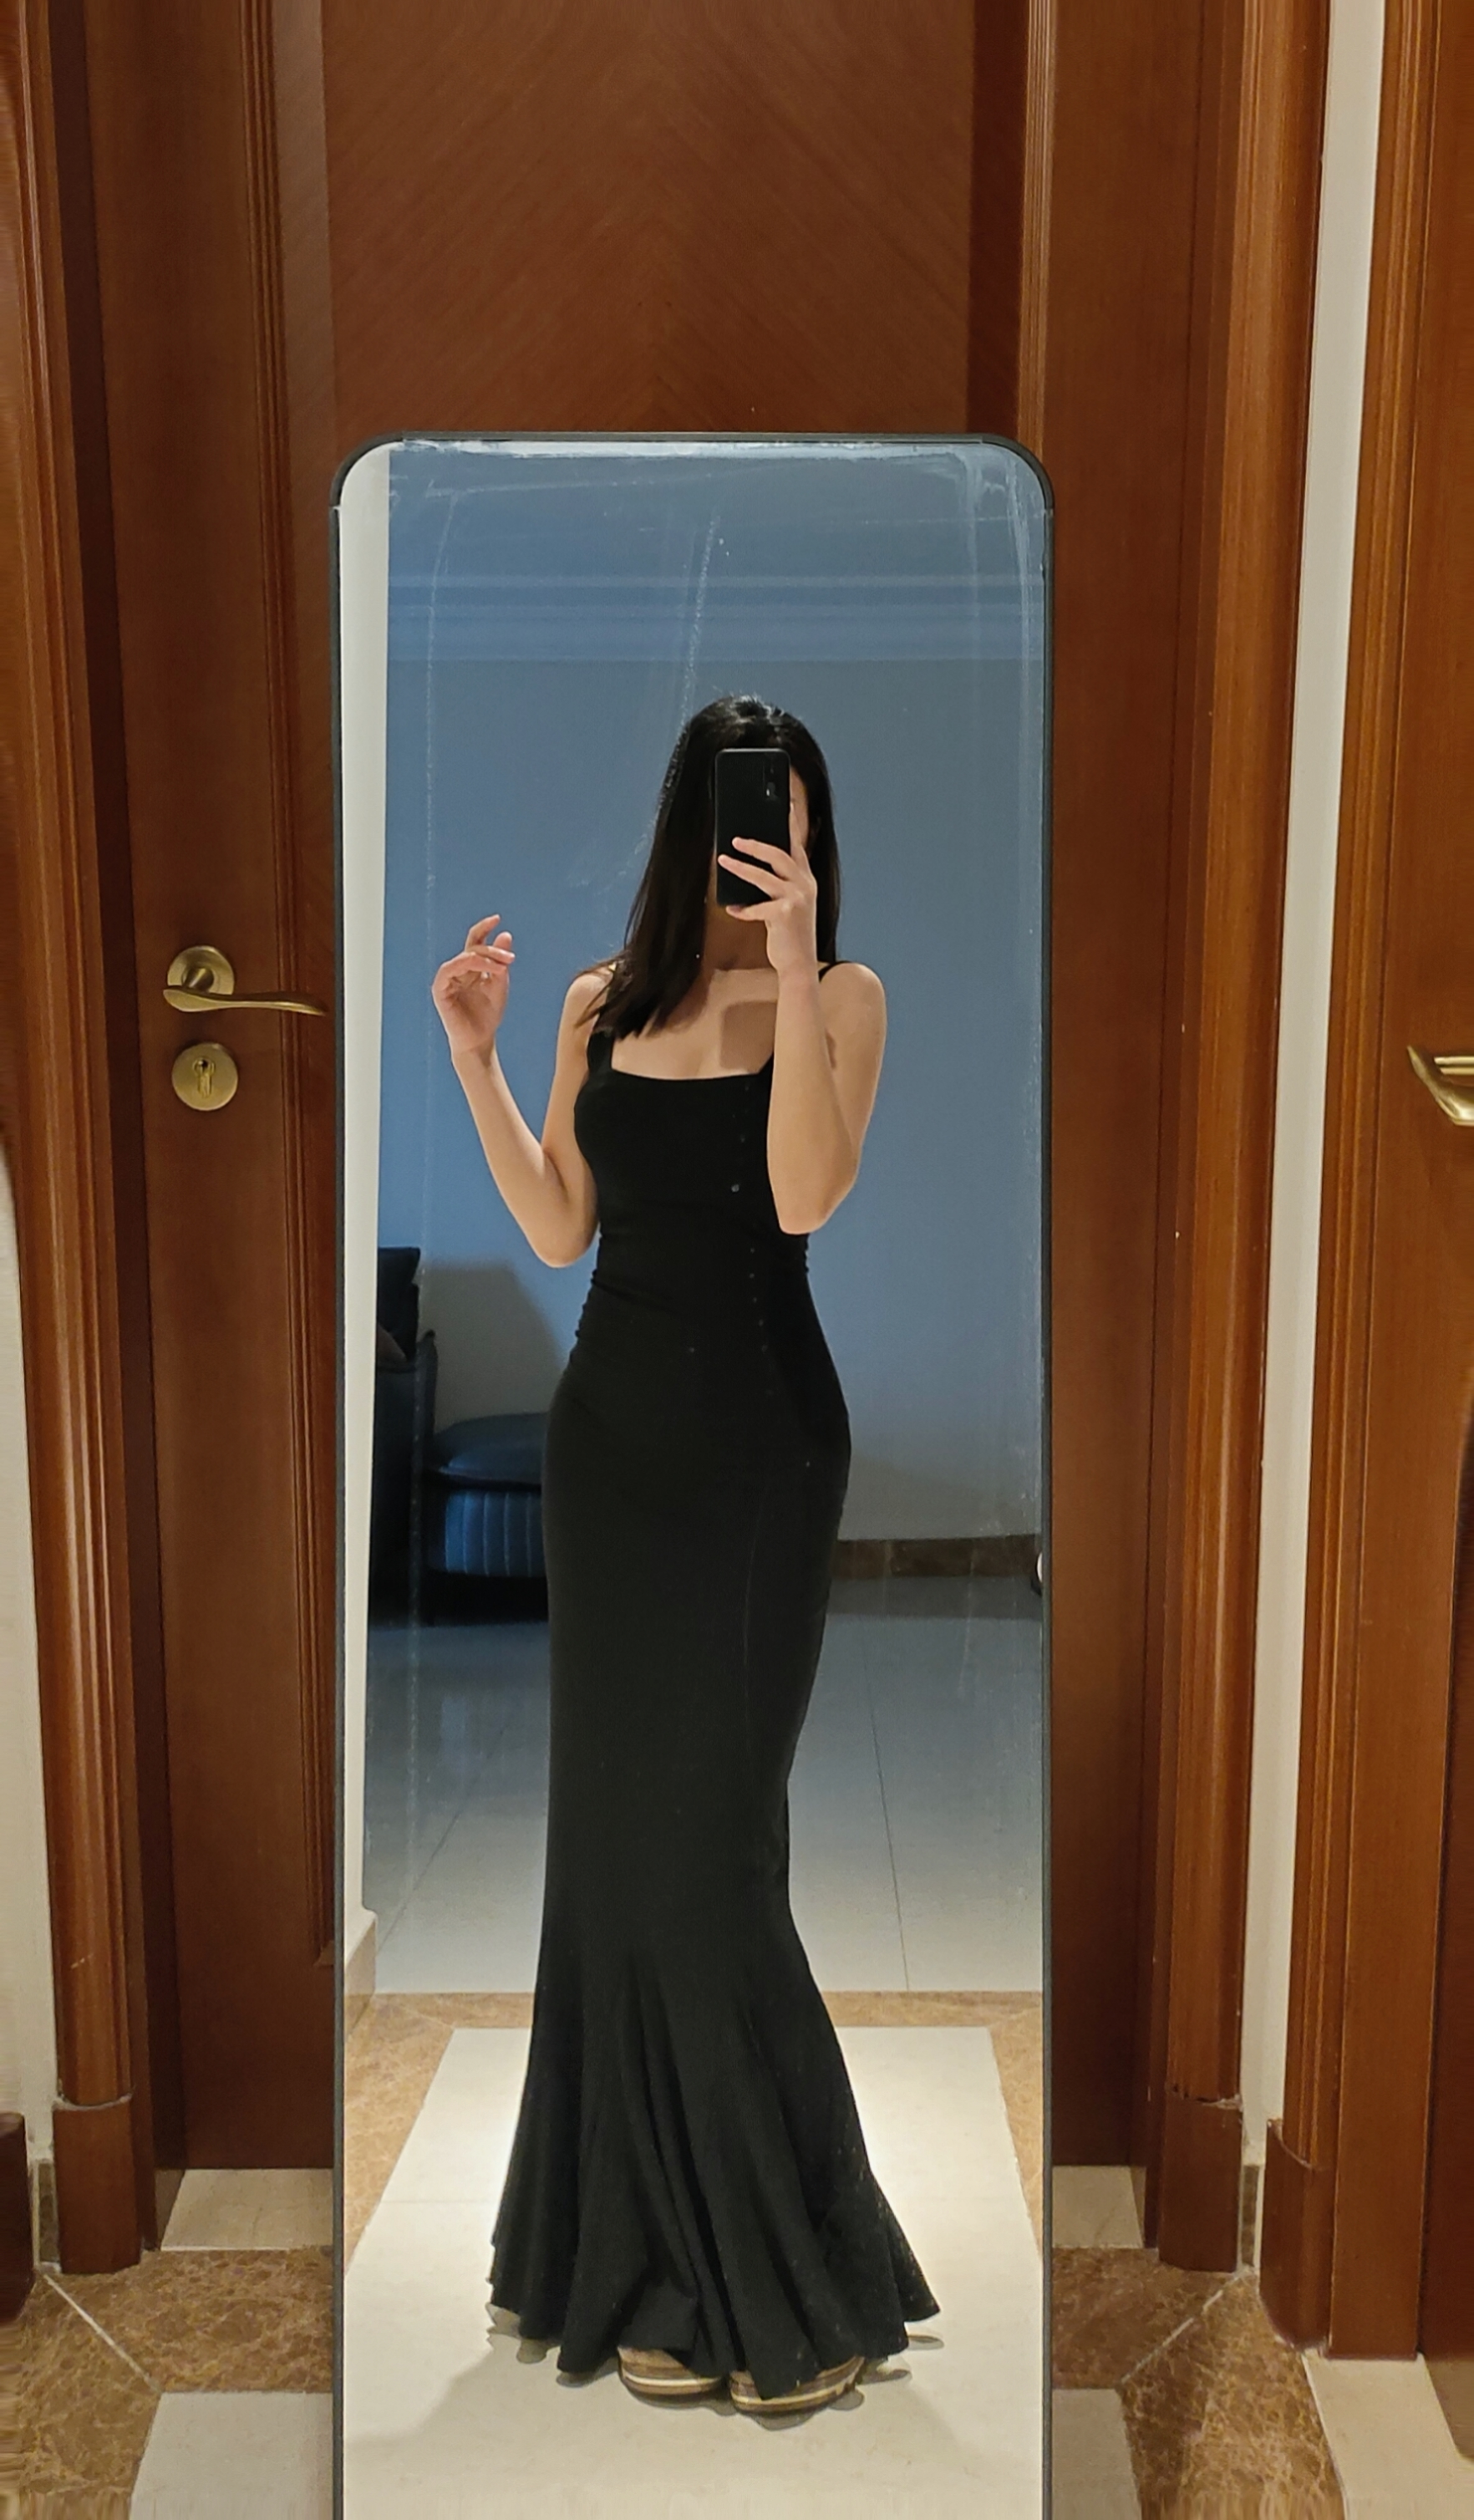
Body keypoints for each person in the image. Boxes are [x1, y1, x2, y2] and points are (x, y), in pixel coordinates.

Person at [429, 694, 938, 2416]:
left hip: (760, 1457)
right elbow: (563, 1222)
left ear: (812, 831)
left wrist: (790, 964)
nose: (761, 840)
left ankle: (780, 2267)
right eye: (739, 811)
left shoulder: (845, 998)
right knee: (615, 1847)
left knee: (717, 1843)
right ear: (685, 823)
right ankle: (634, 2250)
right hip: (614, 1457)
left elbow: (802, 1197)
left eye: (787, 813)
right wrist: (480, 1059)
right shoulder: (600, 1003)